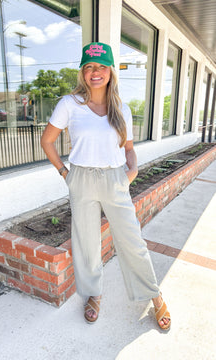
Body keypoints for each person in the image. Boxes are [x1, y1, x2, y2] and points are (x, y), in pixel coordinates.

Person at [41, 42, 171, 331]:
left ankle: (154, 293)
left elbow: (128, 148)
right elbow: (47, 141)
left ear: (111, 71)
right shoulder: (69, 104)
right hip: (82, 179)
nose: (94, 72)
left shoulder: (121, 109)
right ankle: (94, 294)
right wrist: (66, 173)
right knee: (87, 244)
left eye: (101, 66)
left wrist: (133, 168)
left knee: (132, 241)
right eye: (88, 66)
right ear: (82, 73)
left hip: (115, 179)